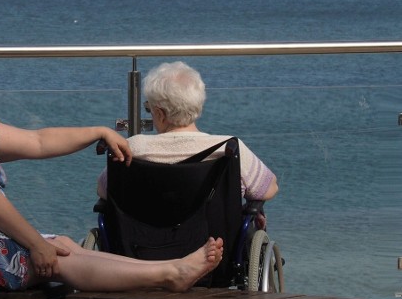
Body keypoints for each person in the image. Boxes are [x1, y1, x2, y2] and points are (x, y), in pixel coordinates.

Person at [0, 35, 223, 294]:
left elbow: (38, 141)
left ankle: (170, 268)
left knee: (65, 245)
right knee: (53, 257)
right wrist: (35, 244)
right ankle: (169, 275)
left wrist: (98, 131)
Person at [97, 61, 278, 209]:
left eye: (148, 108)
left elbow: (103, 190)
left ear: (160, 114)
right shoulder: (228, 148)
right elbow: (269, 188)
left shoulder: (132, 148)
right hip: (215, 245)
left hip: (138, 248)